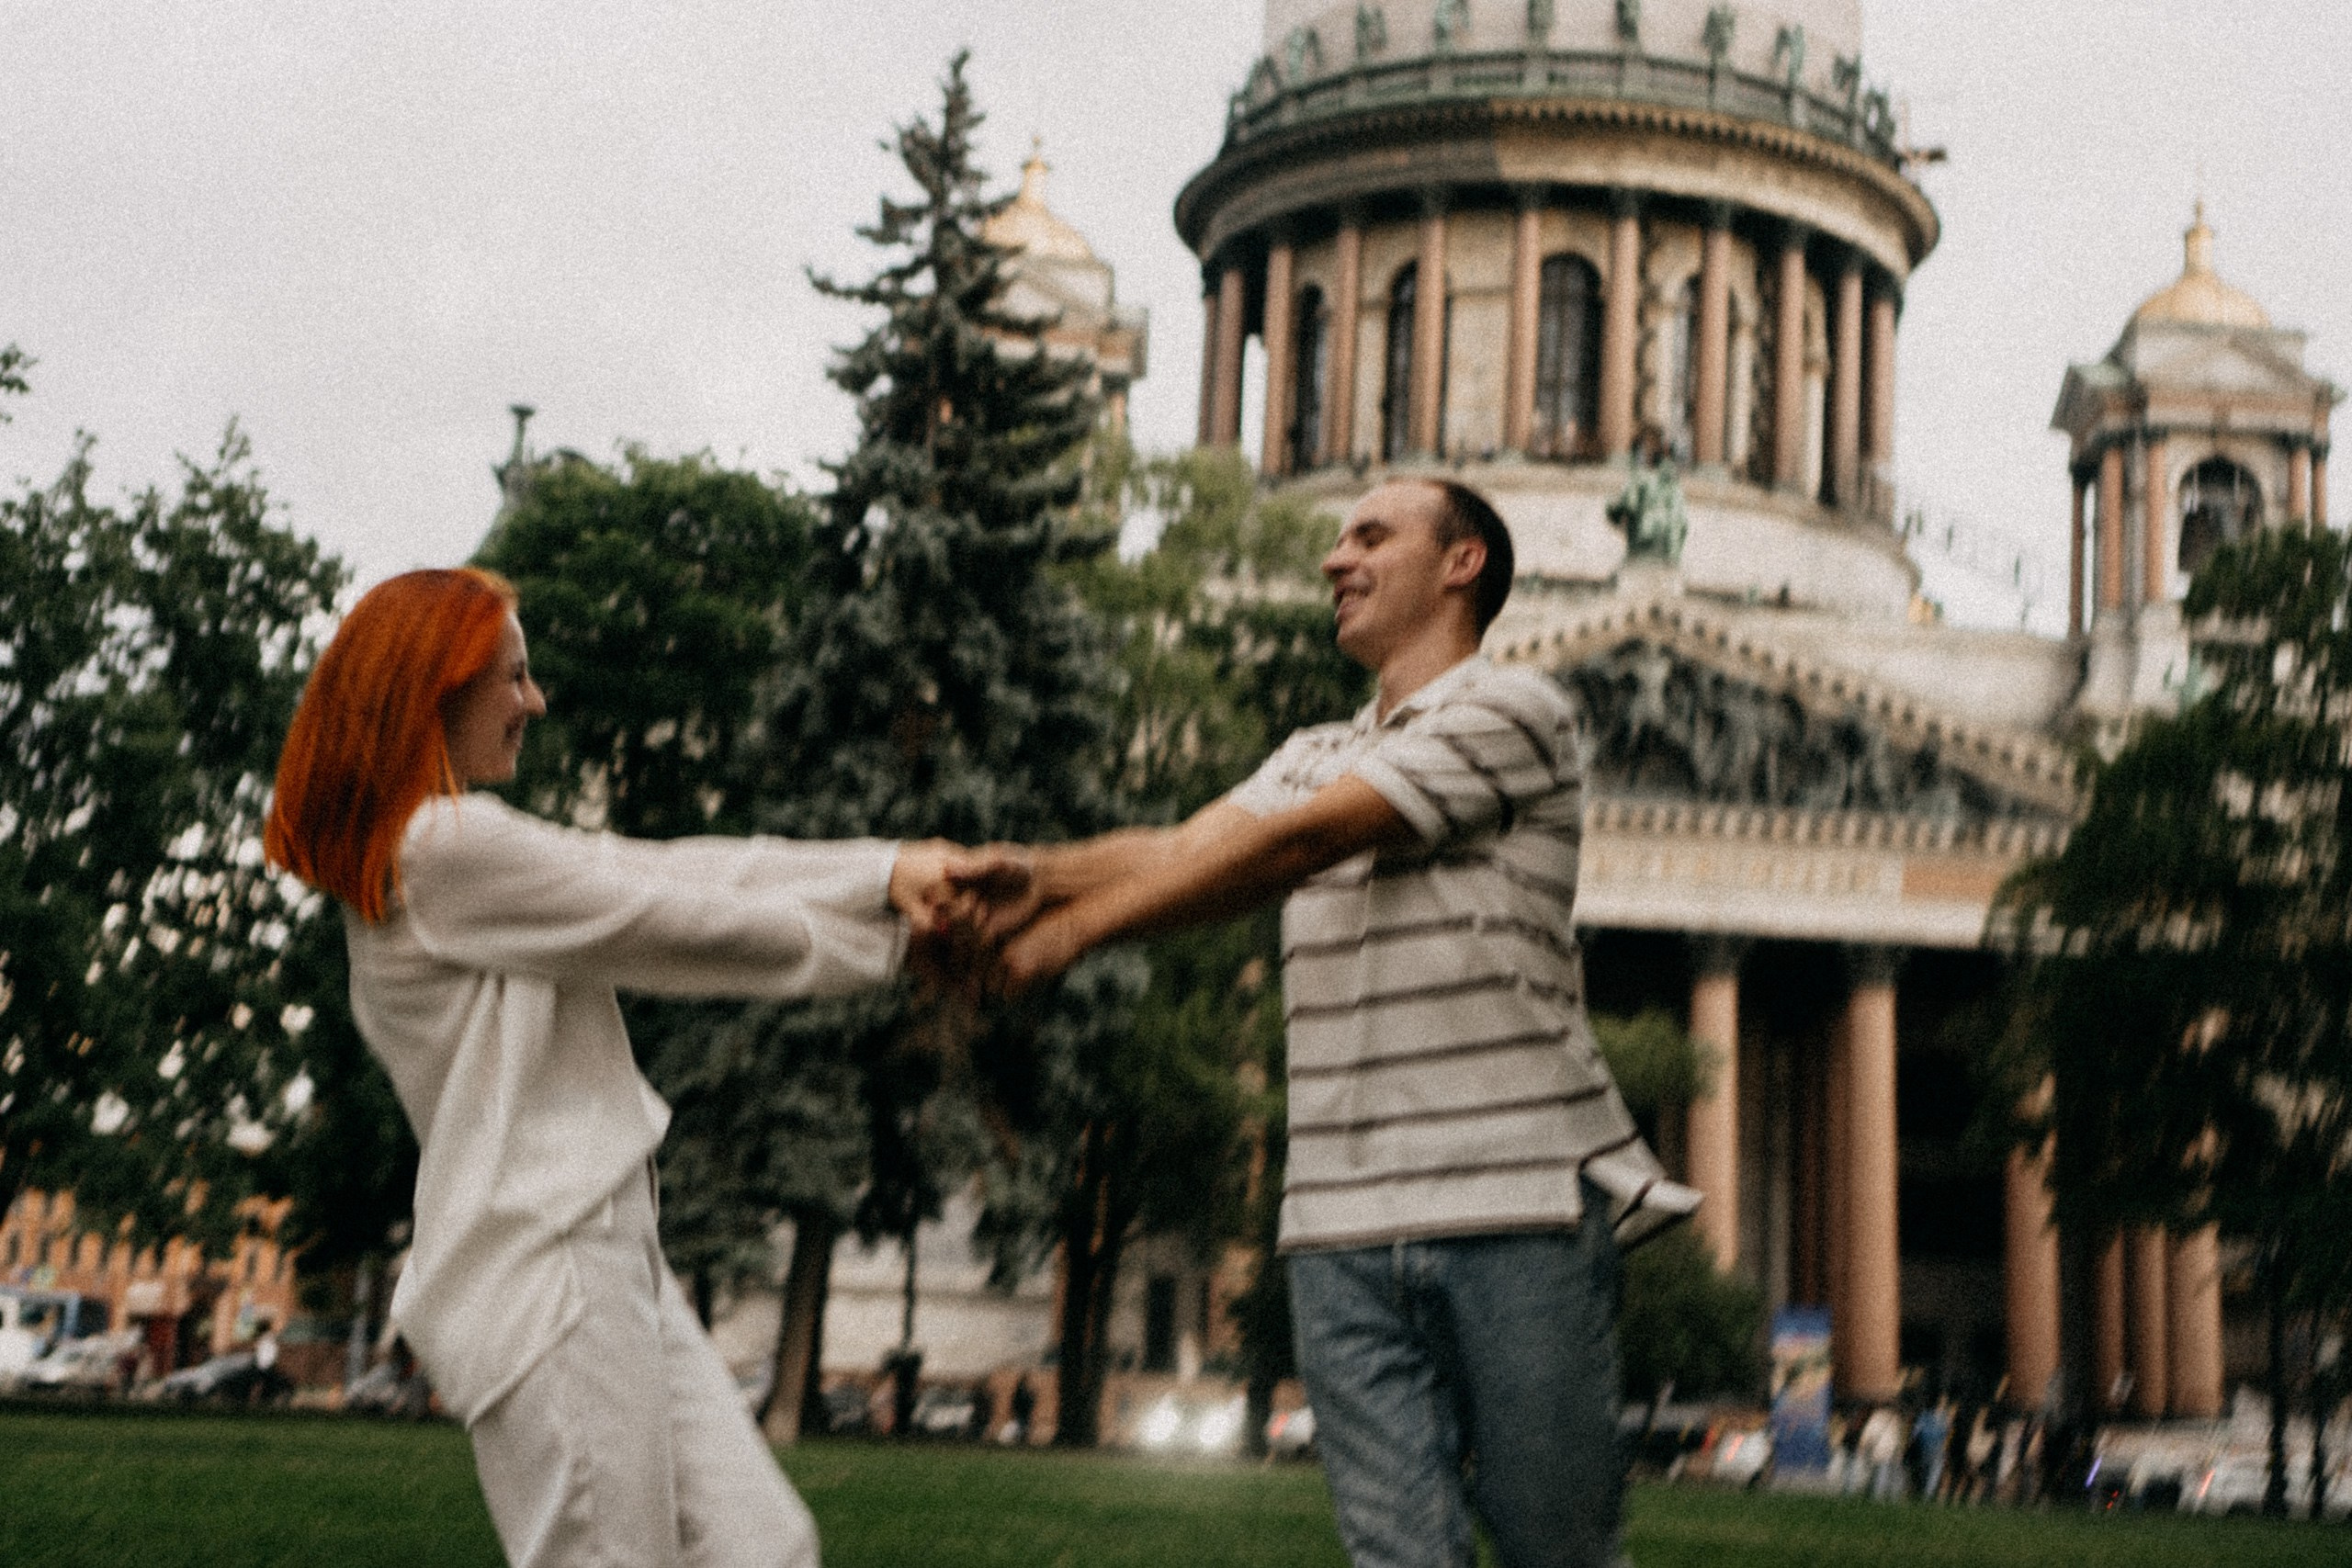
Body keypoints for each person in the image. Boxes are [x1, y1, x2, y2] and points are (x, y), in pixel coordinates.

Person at [971, 479, 1697, 1568]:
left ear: (1461, 565)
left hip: (1512, 1201)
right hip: (1338, 1220)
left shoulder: (1515, 712)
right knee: (1394, 1555)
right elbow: (1188, 850)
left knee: (1561, 1550)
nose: (1333, 560)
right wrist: (1032, 878)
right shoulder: (1311, 750)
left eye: (1369, 536)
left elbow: (1292, 848)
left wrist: (1063, 940)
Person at [264, 567, 986, 1568]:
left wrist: (883, 871)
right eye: (512, 678)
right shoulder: (438, 849)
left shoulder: (449, 849)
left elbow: (665, 870)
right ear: (437, 688)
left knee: (763, 1547)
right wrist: (904, 949)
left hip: (609, 1255)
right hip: (548, 1266)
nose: (534, 702)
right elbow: (677, 924)